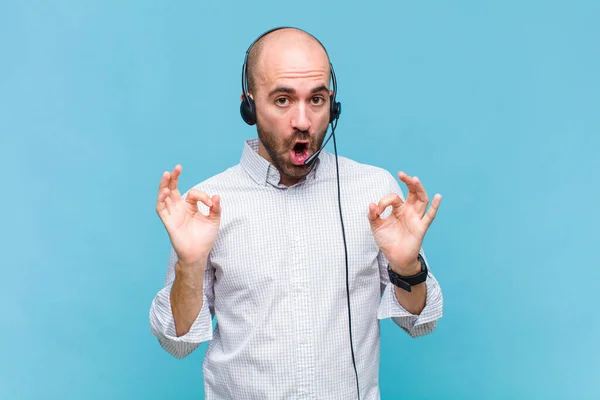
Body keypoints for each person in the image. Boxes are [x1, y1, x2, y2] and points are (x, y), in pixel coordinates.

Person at [149, 26, 443, 400]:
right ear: (249, 104)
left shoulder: (373, 191)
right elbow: (177, 342)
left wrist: (407, 268)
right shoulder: (205, 205)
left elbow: (420, 322)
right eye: (283, 100)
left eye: (316, 100)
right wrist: (189, 265)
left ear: (332, 104)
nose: (303, 121)